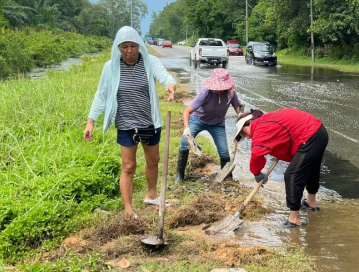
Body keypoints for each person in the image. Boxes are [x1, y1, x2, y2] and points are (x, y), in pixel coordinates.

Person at [83, 26, 176, 218]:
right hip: (126, 125)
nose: (129, 50)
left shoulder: (150, 62)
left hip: (149, 122)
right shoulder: (110, 67)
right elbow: (101, 95)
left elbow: (165, 76)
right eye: (124, 46)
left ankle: (151, 195)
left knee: (153, 161)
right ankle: (128, 209)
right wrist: (91, 121)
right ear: (118, 48)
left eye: (133, 46)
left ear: (139, 46)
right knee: (128, 166)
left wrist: (170, 86)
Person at [234, 108, 329, 227]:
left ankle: (294, 219)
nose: (246, 137)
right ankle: (311, 203)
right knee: (311, 169)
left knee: (291, 176)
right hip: (319, 132)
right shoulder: (267, 121)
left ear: (250, 122)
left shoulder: (259, 127)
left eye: (244, 132)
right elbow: (286, 137)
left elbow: (257, 154)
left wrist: (257, 173)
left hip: (309, 136)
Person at [174, 68, 243, 182]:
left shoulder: (231, 92)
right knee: (184, 142)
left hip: (217, 124)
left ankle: (227, 177)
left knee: (224, 152)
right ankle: (179, 175)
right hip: (198, 120)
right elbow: (187, 111)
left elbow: (237, 107)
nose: (217, 90)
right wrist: (187, 128)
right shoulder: (205, 92)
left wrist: (241, 114)